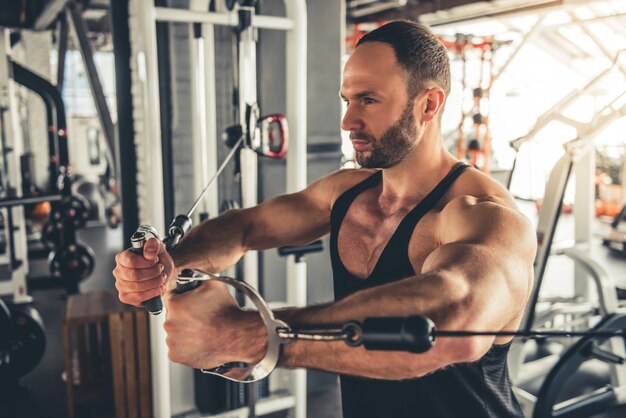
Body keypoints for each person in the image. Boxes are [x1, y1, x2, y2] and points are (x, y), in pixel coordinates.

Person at [113, 20, 536, 418]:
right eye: (347, 100)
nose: (348, 121)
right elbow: (245, 227)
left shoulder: (483, 215)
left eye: (368, 99)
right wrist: (172, 263)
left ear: (428, 104)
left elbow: (455, 317)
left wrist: (251, 335)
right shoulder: (347, 191)